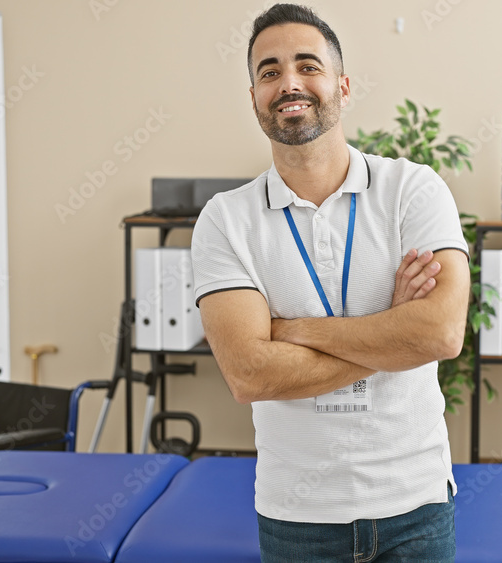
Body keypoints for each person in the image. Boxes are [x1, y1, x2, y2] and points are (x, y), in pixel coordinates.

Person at [191, 4, 469, 561]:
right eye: (269, 72)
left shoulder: (413, 190)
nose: (289, 82)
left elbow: (439, 334)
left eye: (307, 65)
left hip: (415, 506)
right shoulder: (226, 219)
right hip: (298, 518)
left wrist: (291, 331)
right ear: (253, 97)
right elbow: (248, 373)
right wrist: (391, 335)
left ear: (341, 84)